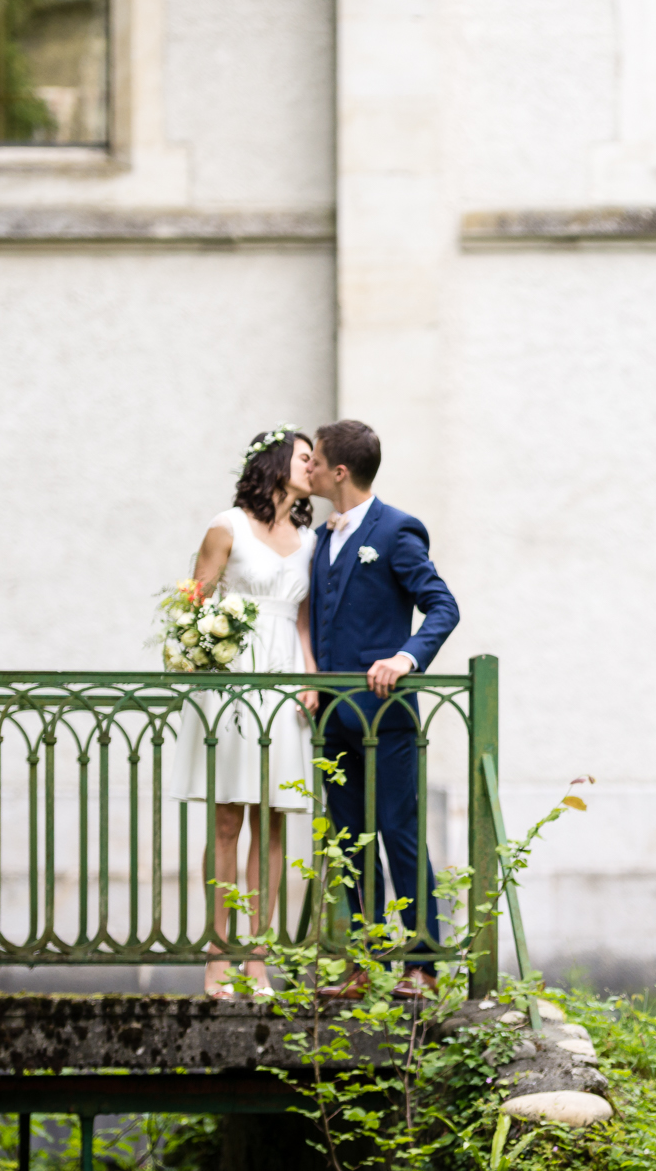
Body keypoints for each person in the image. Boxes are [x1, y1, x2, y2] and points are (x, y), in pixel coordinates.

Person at [304, 419, 460, 1002]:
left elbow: (442, 605)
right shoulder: (319, 539)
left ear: (340, 471)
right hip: (331, 717)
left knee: (399, 833)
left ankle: (422, 965)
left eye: (315, 461)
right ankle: (363, 964)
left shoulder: (396, 531)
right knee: (349, 840)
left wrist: (405, 656)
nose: (308, 468)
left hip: (385, 714)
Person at [176, 424, 320, 998]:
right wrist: (207, 655)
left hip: (286, 684)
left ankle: (258, 960)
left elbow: (304, 620)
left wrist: (310, 678)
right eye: (305, 458)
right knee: (227, 821)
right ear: (277, 462)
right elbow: (192, 607)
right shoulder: (227, 526)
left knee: (274, 821)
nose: (312, 466)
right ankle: (218, 956)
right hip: (232, 683)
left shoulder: (310, 542)